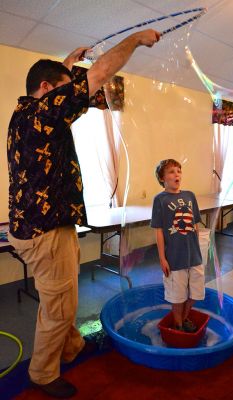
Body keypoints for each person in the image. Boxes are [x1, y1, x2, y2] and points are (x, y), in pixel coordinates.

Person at [7, 29, 160, 398]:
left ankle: (71, 347)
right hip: (45, 231)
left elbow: (61, 84)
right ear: (46, 89)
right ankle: (42, 373)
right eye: (60, 88)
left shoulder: (24, 112)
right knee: (60, 306)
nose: (68, 96)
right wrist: (137, 39)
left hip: (38, 226)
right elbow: (102, 74)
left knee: (61, 294)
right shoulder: (44, 112)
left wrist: (67, 63)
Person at [151, 159, 205, 333]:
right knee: (177, 295)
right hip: (174, 258)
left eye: (179, 171)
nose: (177, 174)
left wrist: (199, 249)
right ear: (162, 178)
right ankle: (179, 326)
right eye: (172, 172)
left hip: (194, 256)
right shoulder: (160, 200)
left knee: (196, 292)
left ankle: (183, 317)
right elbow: (159, 230)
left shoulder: (190, 196)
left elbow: (195, 225)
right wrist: (162, 258)